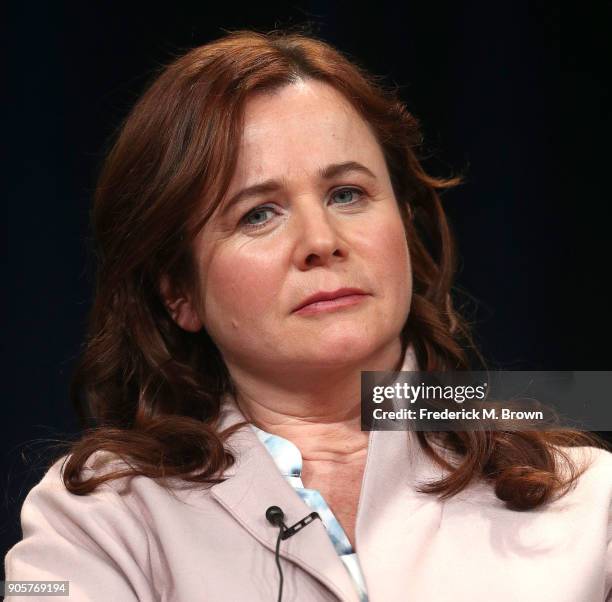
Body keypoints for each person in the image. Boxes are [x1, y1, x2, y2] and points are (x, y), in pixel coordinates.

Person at [4, 29, 612, 602]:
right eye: (257, 214)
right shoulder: (99, 516)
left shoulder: (586, 493)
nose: (321, 240)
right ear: (178, 293)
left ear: (405, 224)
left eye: (347, 193)